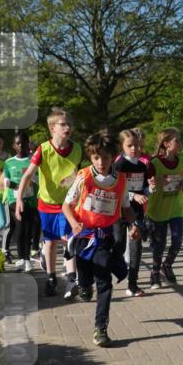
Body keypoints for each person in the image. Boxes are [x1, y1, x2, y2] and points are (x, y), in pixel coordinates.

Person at [62, 130, 137, 347]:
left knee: (104, 280)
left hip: (104, 237)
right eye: (96, 157)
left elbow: (126, 208)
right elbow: (67, 205)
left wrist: (133, 224)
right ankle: (84, 285)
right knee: (85, 276)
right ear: (90, 157)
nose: (101, 162)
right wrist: (74, 223)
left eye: (105, 157)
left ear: (113, 156)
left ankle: (100, 328)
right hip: (84, 236)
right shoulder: (84, 177)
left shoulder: (121, 180)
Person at [15, 108, 83, 298]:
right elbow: (28, 175)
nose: (67, 127)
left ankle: (71, 279)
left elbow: (79, 175)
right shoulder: (43, 149)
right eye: (63, 124)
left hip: (68, 204)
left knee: (69, 239)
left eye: (69, 124)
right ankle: (51, 278)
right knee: (51, 243)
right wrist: (19, 198)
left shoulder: (77, 149)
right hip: (46, 203)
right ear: (52, 128)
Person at [146, 128, 183, 289]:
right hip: (158, 210)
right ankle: (155, 272)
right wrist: (155, 185)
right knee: (159, 244)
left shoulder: (182, 161)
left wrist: (182, 184)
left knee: (177, 240)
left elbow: (182, 179)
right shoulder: (155, 163)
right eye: (177, 141)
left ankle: (167, 265)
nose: (180, 144)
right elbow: (147, 185)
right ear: (166, 143)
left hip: (176, 208)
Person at [113, 129, 151, 297]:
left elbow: (142, 191)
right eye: (130, 145)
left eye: (137, 145)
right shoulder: (119, 165)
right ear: (122, 146)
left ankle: (133, 285)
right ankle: (111, 273)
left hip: (136, 213)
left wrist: (150, 189)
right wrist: (133, 195)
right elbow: (115, 190)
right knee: (119, 246)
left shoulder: (142, 166)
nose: (134, 149)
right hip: (119, 212)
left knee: (136, 248)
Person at [3, 134, 39, 272]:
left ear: (28, 145)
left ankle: (27, 259)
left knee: (28, 229)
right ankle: (22, 258)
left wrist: (31, 183)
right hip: (14, 200)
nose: (20, 146)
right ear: (13, 146)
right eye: (17, 143)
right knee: (19, 228)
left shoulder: (33, 161)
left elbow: (37, 179)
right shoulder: (9, 162)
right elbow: (5, 180)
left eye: (23, 143)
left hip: (30, 200)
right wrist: (15, 186)